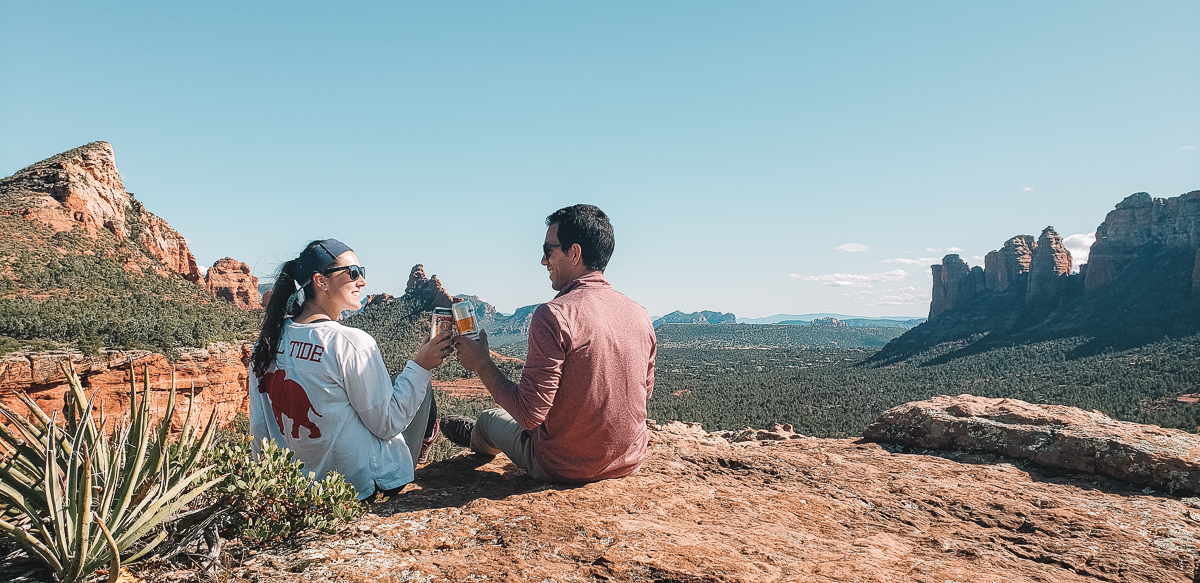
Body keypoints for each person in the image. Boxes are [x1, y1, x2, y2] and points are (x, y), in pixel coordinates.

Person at [446, 204, 657, 484]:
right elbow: (644, 394)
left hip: (563, 466)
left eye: (548, 251)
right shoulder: (640, 314)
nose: (543, 261)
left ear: (575, 253)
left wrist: (482, 364)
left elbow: (529, 414)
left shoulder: (555, 314)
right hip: (629, 460)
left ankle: (477, 437)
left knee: (488, 419)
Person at [248, 239, 454, 500]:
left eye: (362, 272)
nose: (362, 281)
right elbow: (387, 424)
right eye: (353, 273)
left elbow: (259, 427)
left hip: (299, 494)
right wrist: (422, 365)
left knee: (389, 381)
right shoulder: (350, 342)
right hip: (360, 489)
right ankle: (426, 442)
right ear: (320, 281)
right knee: (418, 381)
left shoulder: (266, 342)